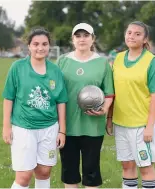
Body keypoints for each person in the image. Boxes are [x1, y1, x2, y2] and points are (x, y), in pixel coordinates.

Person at [2, 27, 68, 189]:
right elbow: (8, 98)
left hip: (49, 128)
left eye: (44, 44)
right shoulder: (17, 68)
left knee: (44, 171)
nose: (40, 48)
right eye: (36, 44)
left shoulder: (55, 71)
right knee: (24, 176)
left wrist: (62, 130)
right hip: (24, 127)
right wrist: (6, 126)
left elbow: (61, 101)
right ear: (29, 46)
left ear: (49, 46)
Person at [57, 23, 114, 188]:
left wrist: (104, 109)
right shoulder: (62, 61)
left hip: (92, 126)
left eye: (86, 35)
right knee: (69, 173)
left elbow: (109, 93)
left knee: (91, 171)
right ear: (73, 39)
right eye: (78, 36)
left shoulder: (102, 63)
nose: (82, 39)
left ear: (92, 39)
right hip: (67, 126)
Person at [107, 21, 155, 189]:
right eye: (129, 32)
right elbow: (113, 91)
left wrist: (149, 126)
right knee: (127, 166)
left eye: (137, 34)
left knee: (146, 168)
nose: (132, 36)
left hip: (141, 124)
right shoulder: (117, 59)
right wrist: (109, 118)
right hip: (121, 123)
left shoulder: (151, 61)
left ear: (145, 39)